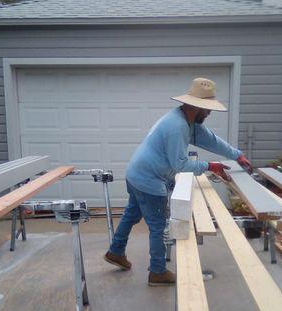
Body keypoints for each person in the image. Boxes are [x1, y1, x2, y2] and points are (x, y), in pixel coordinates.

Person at [103, 77, 252, 286]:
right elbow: (181, 164)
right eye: (207, 109)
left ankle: (115, 251)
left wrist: (237, 155)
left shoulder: (186, 121)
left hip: (136, 174)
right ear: (196, 106)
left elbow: (211, 140)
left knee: (132, 213)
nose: (209, 113)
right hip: (149, 180)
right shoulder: (177, 127)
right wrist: (211, 166)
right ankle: (157, 271)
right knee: (158, 226)